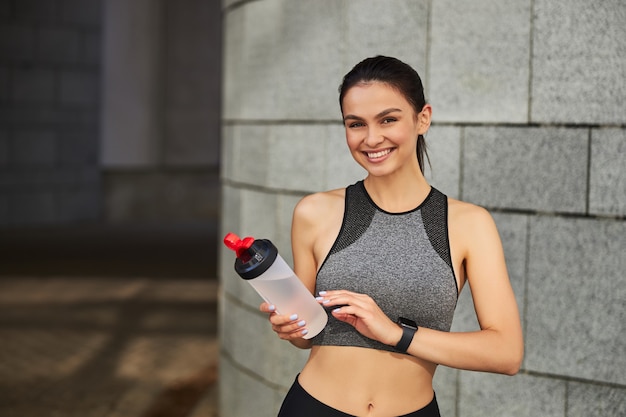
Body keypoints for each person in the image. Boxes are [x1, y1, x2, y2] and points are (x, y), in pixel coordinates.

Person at [260, 56, 523, 417]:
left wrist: (396, 333)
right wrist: (291, 326)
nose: (371, 138)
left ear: (422, 118)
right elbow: (307, 337)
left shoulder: (469, 224)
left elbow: (506, 353)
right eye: (356, 124)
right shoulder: (314, 213)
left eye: (388, 119)